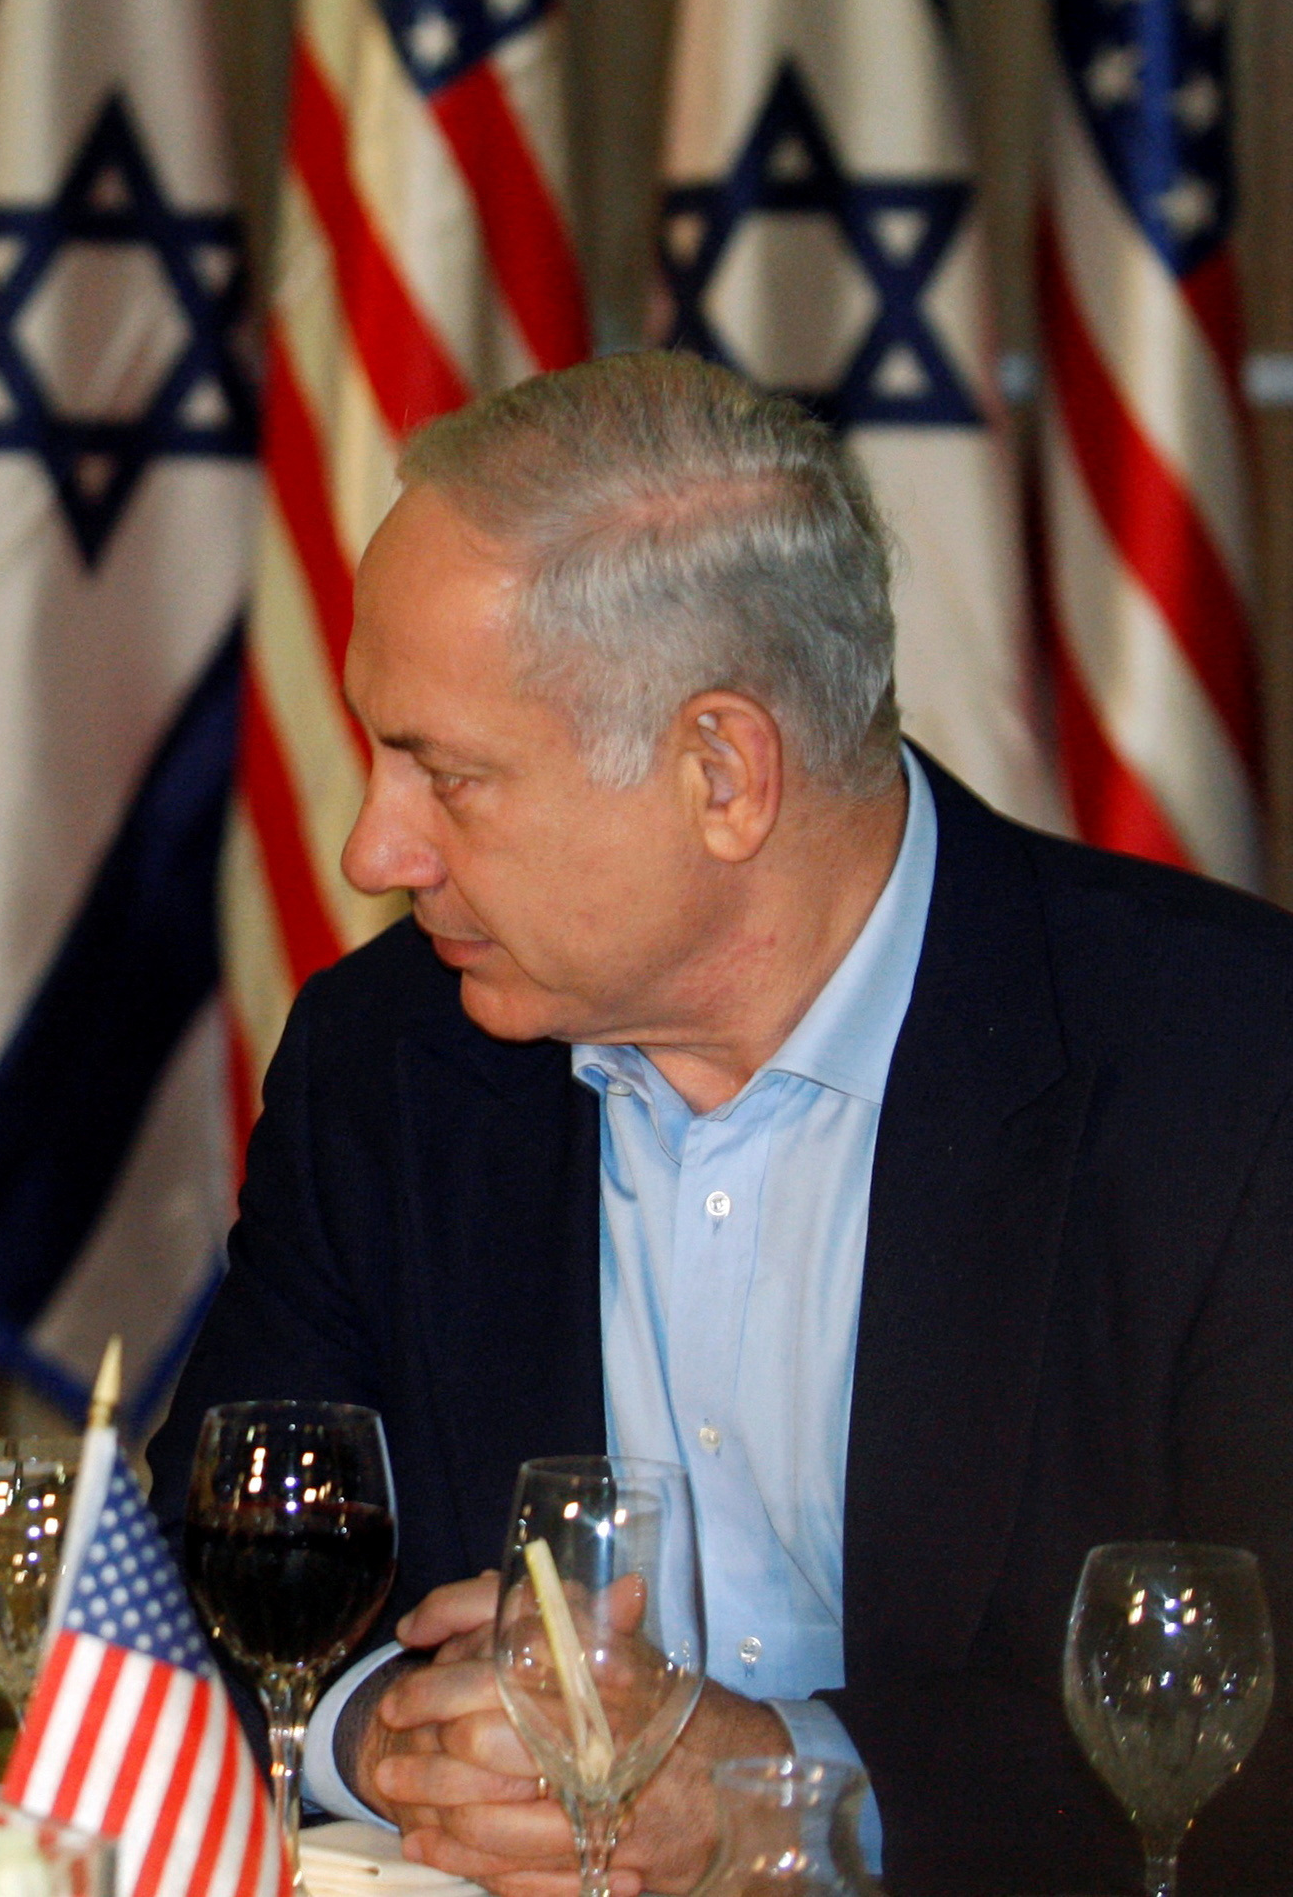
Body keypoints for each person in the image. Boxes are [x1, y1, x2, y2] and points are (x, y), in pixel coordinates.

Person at [153, 351, 1293, 1897]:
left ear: (721, 773)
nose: (371, 848)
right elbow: (206, 1572)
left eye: (449, 774)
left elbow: (1258, 1728)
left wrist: (785, 1795)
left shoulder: (1226, 1071)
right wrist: (401, 1741)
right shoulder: (388, 1061)